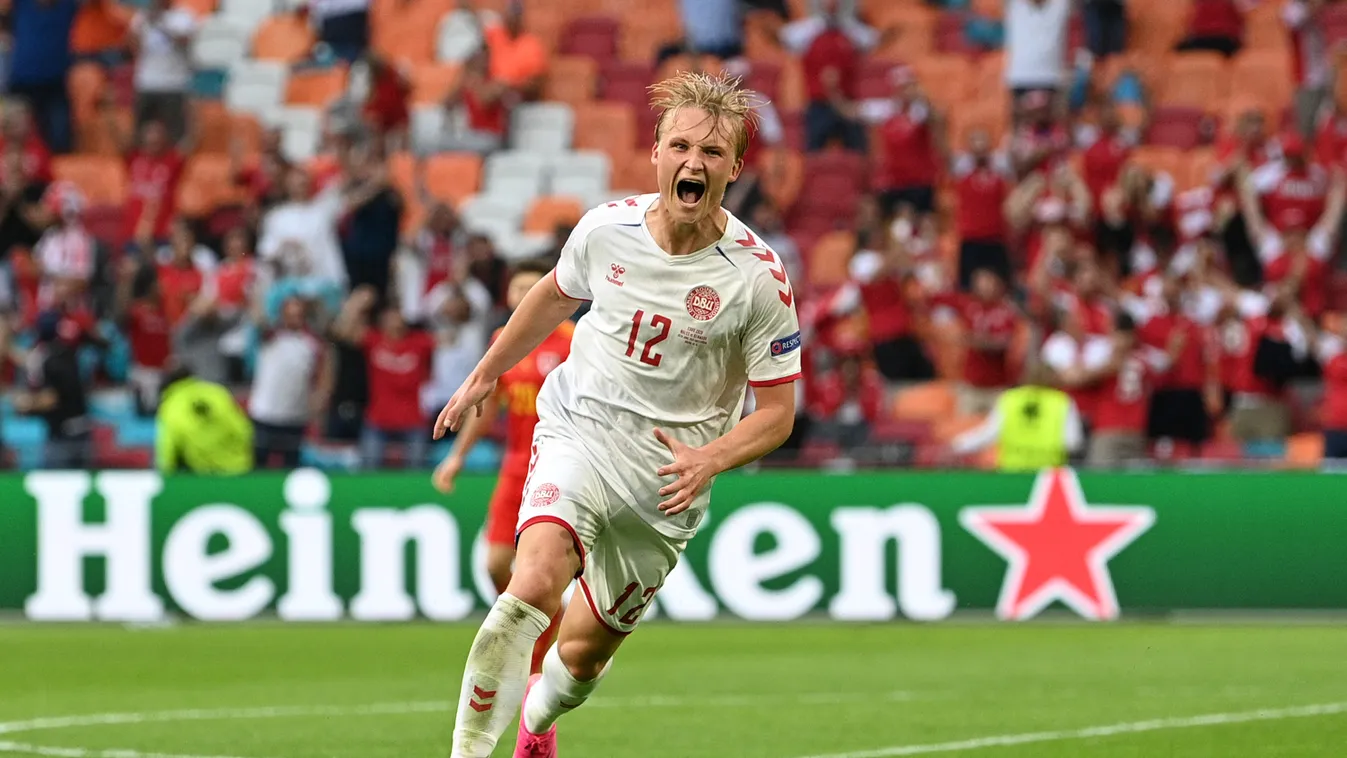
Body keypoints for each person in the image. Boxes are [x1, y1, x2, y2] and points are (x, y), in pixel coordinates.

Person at [433, 71, 802, 758]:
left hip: (667, 480)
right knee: (529, 584)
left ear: (734, 169)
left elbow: (778, 412)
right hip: (582, 431)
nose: (694, 163)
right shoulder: (606, 230)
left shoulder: (756, 277)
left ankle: (538, 725)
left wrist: (710, 458)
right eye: (681, 146)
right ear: (657, 153)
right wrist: (484, 373)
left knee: (580, 659)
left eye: (712, 153)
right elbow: (551, 296)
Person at [431, 259, 574, 674]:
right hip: (516, 466)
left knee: (548, 565)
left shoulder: (573, 341)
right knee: (495, 564)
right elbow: (487, 405)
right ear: (509, 296)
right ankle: (544, 621)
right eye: (518, 289)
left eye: (534, 287)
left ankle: (539, 650)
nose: (525, 295)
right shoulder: (502, 342)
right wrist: (457, 456)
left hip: (561, 464)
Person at [950, 359, 1085, 471]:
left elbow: (988, 433)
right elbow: (1072, 442)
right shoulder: (1062, 402)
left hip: (1012, 473)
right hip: (1048, 474)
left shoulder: (1010, 399)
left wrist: (956, 445)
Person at [155, 367, 254, 474]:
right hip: (239, 469)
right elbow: (243, 429)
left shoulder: (170, 406)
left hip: (202, 476)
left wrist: (167, 477)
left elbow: (167, 451)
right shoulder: (217, 392)